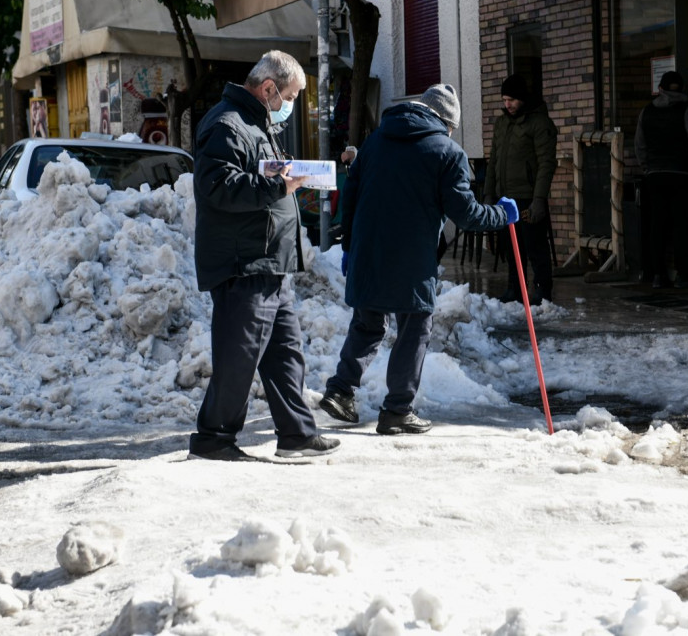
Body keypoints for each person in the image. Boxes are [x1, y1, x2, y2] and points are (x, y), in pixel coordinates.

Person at [318, 84, 519, 435]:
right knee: (413, 329)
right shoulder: (448, 152)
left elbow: (350, 195)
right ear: (446, 122)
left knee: (368, 324)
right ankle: (397, 411)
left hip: (368, 250)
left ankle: (340, 391)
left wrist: (350, 246)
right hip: (412, 259)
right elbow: (467, 215)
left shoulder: (376, 140)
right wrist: (502, 214)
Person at [188, 50, 340, 462]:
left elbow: (256, 177)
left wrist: (283, 179)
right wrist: (278, 186)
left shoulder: (255, 124)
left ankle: (296, 434)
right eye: (289, 96)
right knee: (239, 358)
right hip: (245, 265)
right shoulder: (227, 124)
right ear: (269, 88)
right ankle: (213, 439)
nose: (289, 107)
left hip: (271, 263)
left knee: (286, 354)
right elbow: (217, 187)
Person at [483, 74, 558, 305]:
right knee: (511, 247)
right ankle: (515, 289)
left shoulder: (538, 123)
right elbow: (494, 159)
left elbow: (546, 162)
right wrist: (488, 192)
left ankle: (542, 292)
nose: (508, 105)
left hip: (528, 196)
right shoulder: (502, 123)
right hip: (505, 197)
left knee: (535, 246)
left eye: (512, 100)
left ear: (523, 98)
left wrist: (539, 199)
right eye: (505, 100)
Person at [634, 70, 688, 289]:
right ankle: (684, 274)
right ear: (682, 89)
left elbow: (639, 144)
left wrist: (648, 168)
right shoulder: (686, 109)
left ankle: (658, 274)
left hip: (655, 175)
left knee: (657, 225)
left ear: (661, 89)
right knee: (681, 225)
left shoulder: (647, 111)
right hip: (681, 173)